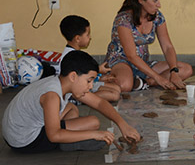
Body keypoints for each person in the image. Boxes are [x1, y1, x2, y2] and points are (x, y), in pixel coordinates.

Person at [2, 50, 140, 154]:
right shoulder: (52, 96)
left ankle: (68, 135)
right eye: (89, 81)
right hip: (24, 140)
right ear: (73, 76)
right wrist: (94, 134)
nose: (91, 86)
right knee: (93, 125)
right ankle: (65, 143)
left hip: (16, 130)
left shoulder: (63, 82)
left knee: (73, 109)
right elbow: (54, 135)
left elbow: (99, 103)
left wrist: (123, 125)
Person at [104, 0, 192, 92]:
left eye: (158, 0)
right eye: (154, 0)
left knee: (186, 69)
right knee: (125, 85)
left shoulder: (157, 17)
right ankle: (129, 80)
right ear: (141, 1)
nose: (159, 5)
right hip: (121, 62)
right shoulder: (123, 20)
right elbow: (131, 56)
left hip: (143, 63)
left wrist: (173, 71)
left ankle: (145, 82)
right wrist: (158, 78)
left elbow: (167, 47)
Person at [58, 15, 121, 102]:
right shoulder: (70, 56)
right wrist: (98, 70)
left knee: (117, 88)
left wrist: (100, 77)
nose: (90, 37)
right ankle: (81, 100)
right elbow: (78, 80)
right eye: (87, 35)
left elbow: (84, 75)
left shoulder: (77, 53)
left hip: (86, 83)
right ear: (77, 38)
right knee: (114, 95)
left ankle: (88, 97)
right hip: (76, 90)